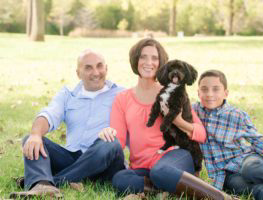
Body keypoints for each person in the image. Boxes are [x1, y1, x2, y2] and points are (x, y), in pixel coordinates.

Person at [99, 38, 234, 200]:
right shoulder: (123, 98)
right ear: (136, 60)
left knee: (160, 171)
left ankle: (223, 198)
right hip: (141, 166)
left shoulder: (173, 93)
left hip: (175, 157)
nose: (149, 62)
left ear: (161, 63)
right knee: (120, 179)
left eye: (154, 58)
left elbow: (201, 133)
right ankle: (165, 189)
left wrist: (179, 122)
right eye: (143, 57)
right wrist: (107, 134)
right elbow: (119, 142)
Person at [9, 49, 125, 199]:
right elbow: (48, 114)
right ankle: (45, 182)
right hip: (72, 159)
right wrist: (36, 135)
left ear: (106, 68)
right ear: (78, 73)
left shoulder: (122, 94)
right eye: (88, 67)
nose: (96, 72)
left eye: (99, 66)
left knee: (110, 142)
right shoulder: (68, 94)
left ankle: (51, 183)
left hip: (105, 162)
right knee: (30, 139)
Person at [192, 69, 263, 200]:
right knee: (254, 189)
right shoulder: (193, 112)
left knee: (252, 170)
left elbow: (261, 143)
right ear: (198, 93)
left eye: (216, 89)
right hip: (225, 175)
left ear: (226, 93)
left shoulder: (236, 115)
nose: (209, 94)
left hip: (246, 159)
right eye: (204, 89)